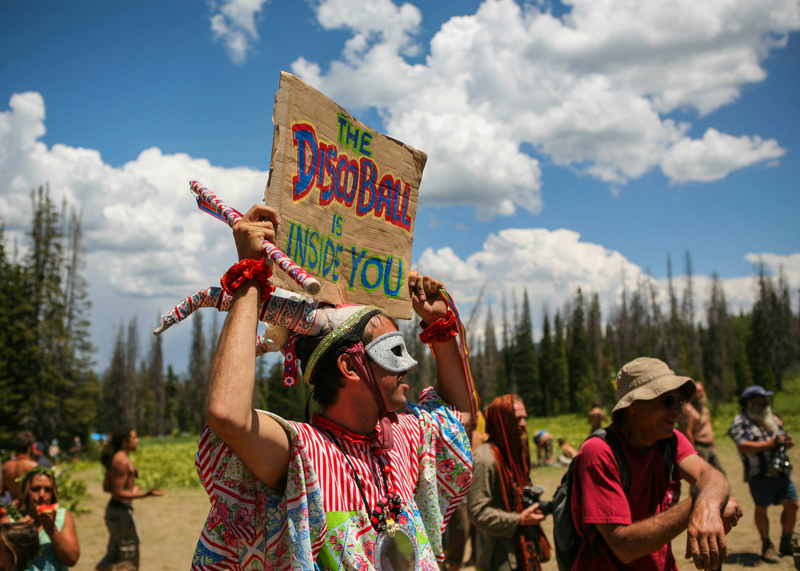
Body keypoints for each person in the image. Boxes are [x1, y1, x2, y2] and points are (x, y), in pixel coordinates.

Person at [193, 203, 476, 570]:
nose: (408, 367)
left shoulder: (401, 437)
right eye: (393, 352)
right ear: (349, 366)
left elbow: (460, 417)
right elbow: (227, 416)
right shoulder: (303, 452)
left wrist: (439, 328)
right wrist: (249, 276)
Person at [570, 357, 742, 570]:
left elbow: (710, 476)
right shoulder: (599, 452)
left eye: (680, 401)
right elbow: (624, 546)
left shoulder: (670, 441)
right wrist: (698, 506)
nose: (678, 410)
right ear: (634, 405)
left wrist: (709, 504)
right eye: (667, 400)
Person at [468, 395, 549, 571]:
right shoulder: (484, 459)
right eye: (517, 418)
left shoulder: (513, 454)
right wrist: (519, 519)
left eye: (524, 418)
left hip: (524, 549)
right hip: (500, 557)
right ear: (501, 421)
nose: (523, 424)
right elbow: (477, 513)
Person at [728, 385, 798, 563]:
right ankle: (767, 545)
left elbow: (781, 437)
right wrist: (771, 444)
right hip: (759, 473)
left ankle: (786, 541)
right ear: (750, 402)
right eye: (762, 399)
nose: (766, 402)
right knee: (762, 507)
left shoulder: (771, 418)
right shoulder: (740, 421)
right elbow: (743, 445)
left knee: (792, 504)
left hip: (780, 471)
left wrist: (785, 442)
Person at [96, 427, 165, 571]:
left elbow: (107, 487)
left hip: (115, 511)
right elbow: (117, 493)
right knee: (128, 558)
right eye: (134, 438)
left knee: (115, 553)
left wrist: (131, 490)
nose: (137, 440)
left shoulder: (118, 458)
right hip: (121, 513)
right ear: (124, 442)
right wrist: (145, 495)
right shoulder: (122, 461)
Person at [0, 466, 81, 570]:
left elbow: (72, 559)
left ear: (53, 493)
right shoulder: (9, 522)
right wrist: (17, 534)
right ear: (26, 491)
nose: (42, 495)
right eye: (35, 489)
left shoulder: (63, 516)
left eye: (48, 489)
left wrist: (52, 530)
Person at [679, 382, 725, 476]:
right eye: (698, 392)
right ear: (693, 394)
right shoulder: (689, 409)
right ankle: (697, 491)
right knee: (700, 475)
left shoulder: (704, 408)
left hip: (710, 445)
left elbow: (708, 427)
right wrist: (693, 451)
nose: (701, 393)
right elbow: (687, 431)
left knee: (719, 472)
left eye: (702, 391)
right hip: (700, 447)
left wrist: (713, 444)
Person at [1, 434, 38, 501]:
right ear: (29, 447)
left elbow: (1, 491)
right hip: (29, 507)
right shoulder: (33, 465)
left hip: (12, 507)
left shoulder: (6, 465)